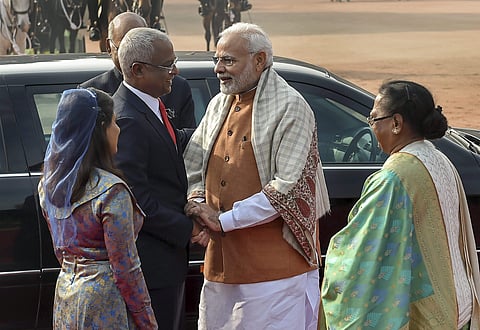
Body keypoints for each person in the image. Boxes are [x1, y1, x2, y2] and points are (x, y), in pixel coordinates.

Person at [183, 22, 330, 329]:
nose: (219, 69)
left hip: (275, 273)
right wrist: (198, 204)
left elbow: (285, 189)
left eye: (228, 61)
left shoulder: (291, 108)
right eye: (217, 60)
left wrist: (222, 220)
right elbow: (194, 164)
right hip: (220, 265)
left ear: (260, 60)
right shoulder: (218, 104)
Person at [321, 80, 480, 329]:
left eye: (374, 119)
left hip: (427, 315)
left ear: (396, 123)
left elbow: (361, 253)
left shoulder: (394, 177)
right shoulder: (439, 158)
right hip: (459, 303)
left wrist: (331, 255)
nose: (371, 127)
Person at [113, 27, 209, 329]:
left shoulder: (148, 103)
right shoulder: (127, 119)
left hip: (166, 260)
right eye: (167, 66)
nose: (175, 71)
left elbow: (170, 141)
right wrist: (189, 228)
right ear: (138, 70)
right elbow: (137, 200)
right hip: (152, 263)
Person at [38, 88, 158, 329]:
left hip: (66, 295)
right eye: (114, 122)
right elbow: (126, 269)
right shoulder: (111, 190)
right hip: (105, 300)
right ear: (101, 129)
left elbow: (61, 252)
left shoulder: (49, 185)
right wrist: (147, 320)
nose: (119, 130)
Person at [80, 12, 196, 129]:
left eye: (142, 45)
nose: (134, 53)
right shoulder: (90, 94)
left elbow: (187, 141)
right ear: (109, 47)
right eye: (125, 46)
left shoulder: (177, 88)